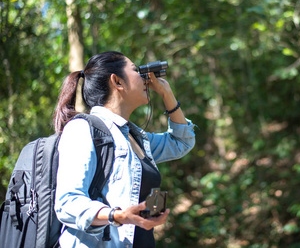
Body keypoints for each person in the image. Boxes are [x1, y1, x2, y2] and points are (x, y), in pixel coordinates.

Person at [53, 51, 195, 248]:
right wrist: (117, 216)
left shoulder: (135, 137)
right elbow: (67, 203)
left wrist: (166, 94)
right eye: (136, 70)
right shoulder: (82, 129)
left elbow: (181, 143)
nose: (145, 78)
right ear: (117, 81)